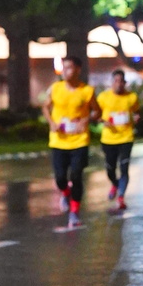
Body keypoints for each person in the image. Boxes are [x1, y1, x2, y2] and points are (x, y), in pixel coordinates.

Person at [42, 56, 102, 228]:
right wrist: (51, 122)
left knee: (76, 175)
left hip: (79, 141)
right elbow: (45, 106)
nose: (66, 71)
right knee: (60, 178)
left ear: (78, 70)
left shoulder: (87, 91)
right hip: (59, 141)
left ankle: (74, 212)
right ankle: (65, 192)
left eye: (69, 68)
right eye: (64, 68)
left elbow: (97, 111)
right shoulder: (56, 88)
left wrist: (86, 119)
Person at [97, 68, 140, 212]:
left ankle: (121, 197)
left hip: (126, 137)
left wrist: (136, 117)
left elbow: (137, 111)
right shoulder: (103, 97)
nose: (119, 84)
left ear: (125, 83)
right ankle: (115, 184)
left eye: (121, 81)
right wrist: (103, 121)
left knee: (124, 168)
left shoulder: (131, 97)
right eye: (116, 81)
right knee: (110, 169)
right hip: (108, 139)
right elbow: (96, 114)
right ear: (111, 82)